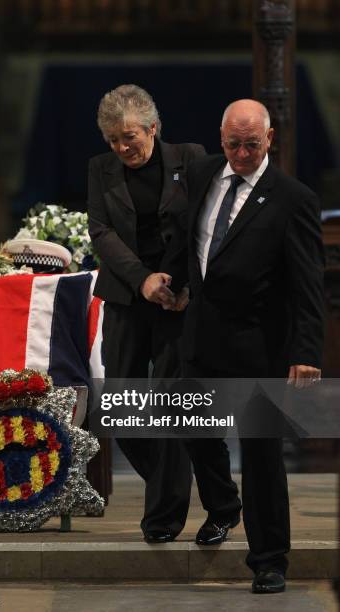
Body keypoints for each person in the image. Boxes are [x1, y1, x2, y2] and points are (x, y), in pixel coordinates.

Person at [88, 84, 241, 543]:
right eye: (113, 139)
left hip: (181, 300)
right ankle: (185, 492)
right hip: (127, 297)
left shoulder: (191, 158)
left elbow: (213, 222)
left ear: (153, 128)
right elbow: (101, 231)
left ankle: (166, 517)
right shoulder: (100, 169)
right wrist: (143, 279)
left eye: (129, 136)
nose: (122, 147)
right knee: (122, 409)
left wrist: (186, 285)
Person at [182, 99, 325, 593]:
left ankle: (269, 560)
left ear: (270, 140)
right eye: (233, 144)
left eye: (252, 144)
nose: (241, 154)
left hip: (260, 345)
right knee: (191, 429)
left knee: (262, 456)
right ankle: (224, 506)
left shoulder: (292, 198)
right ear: (220, 139)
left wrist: (306, 352)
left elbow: (309, 285)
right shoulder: (201, 175)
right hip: (201, 338)